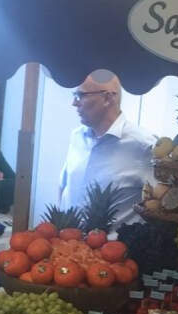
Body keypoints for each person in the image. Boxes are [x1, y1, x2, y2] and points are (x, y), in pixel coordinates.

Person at [58, 72, 155, 228]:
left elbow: (160, 206)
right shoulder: (76, 137)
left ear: (108, 98)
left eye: (81, 95)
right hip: (69, 241)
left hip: (116, 242)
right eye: (74, 95)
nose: (74, 103)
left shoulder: (143, 146)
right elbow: (64, 187)